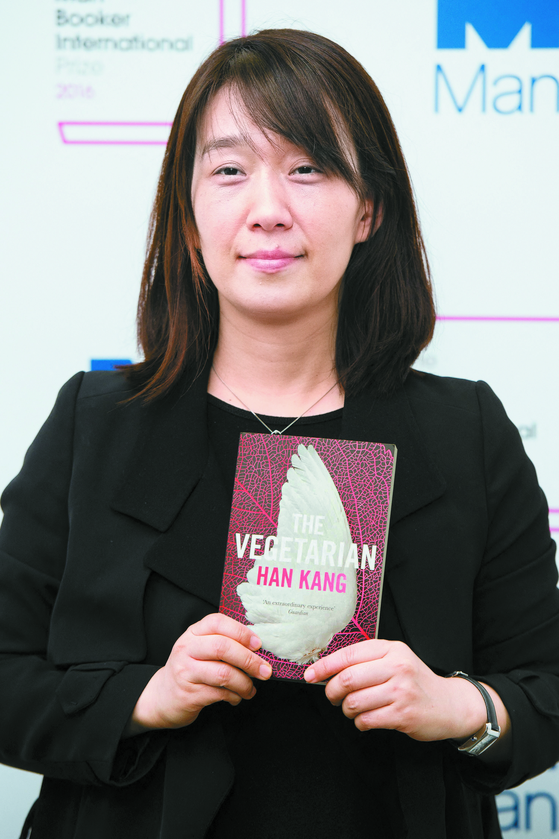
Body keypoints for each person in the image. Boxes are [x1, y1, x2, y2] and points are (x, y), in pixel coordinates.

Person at [0, 28, 558, 839]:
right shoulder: (96, 423)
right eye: (229, 170)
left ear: (368, 208)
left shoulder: (463, 431)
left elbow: (545, 686)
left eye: (308, 167)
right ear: (189, 217)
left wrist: (457, 705)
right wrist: (141, 696)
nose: (268, 209)